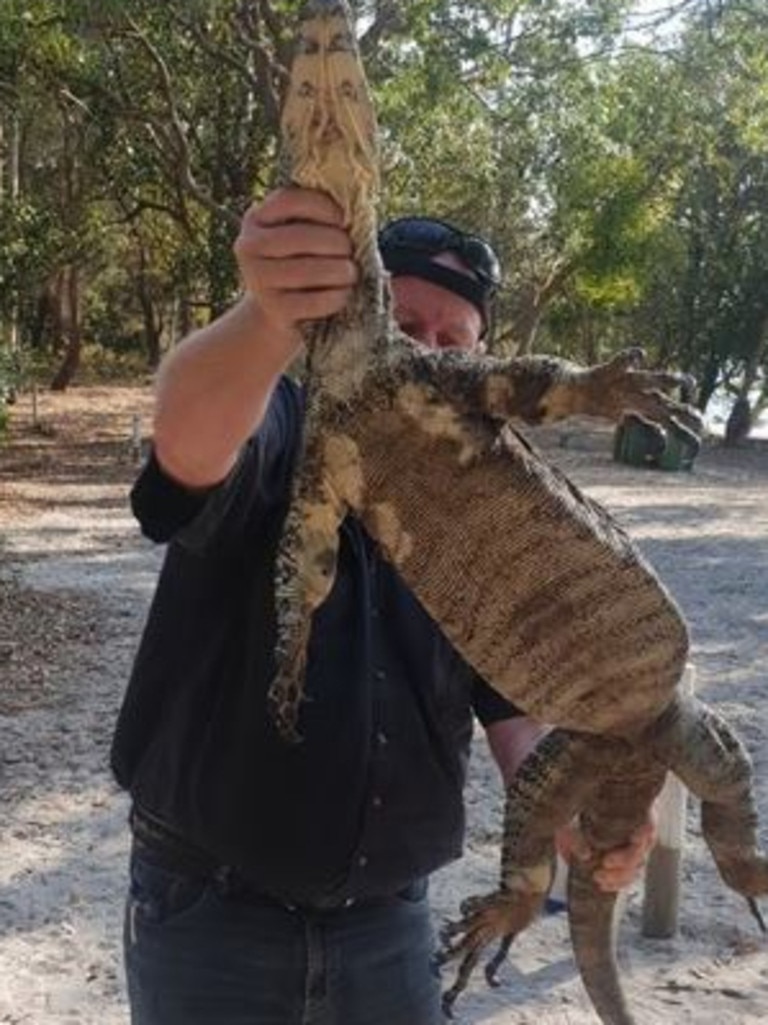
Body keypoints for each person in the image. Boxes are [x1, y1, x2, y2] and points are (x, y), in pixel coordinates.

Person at [111, 186, 655, 1025]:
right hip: (210, 918)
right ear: (351, 321)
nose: (426, 359)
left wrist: (575, 803)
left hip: (392, 927)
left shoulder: (486, 518)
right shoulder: (277, 422)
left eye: (453, 341)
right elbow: (185, 443)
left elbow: (514, 710)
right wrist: (265, 315)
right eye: (405, 327)